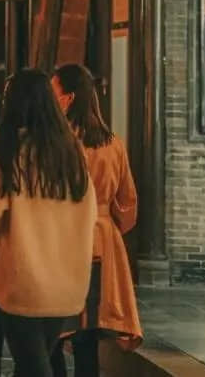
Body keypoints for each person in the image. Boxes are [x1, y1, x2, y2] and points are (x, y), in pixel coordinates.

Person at [0, 68, 98, 377]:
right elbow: (89, 214)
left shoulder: (7, 152)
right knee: (35, 364)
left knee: (33, 366)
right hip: (67, 283)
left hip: (23, 283)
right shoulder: (71, 153)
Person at [50, 63, 142, 377]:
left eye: (54, 92)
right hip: (103, 240)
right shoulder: (113, 143)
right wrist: (110, 224)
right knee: (88, 334)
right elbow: (128, 202)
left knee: (54, 328)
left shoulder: (57, 142)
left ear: (69, 97)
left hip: (62, 239)